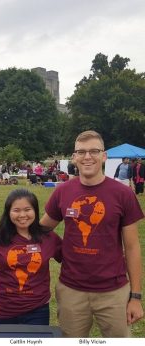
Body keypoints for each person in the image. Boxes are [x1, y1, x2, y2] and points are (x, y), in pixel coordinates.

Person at [41, 130, 144, 337]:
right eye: (81, 152)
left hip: (113, 292)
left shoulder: (123, 193)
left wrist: (135, 297)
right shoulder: (62, 192)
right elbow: (41, 229)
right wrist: (4, 228)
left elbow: (132, 247)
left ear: (104, 156)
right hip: (71, 290)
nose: (87, 157)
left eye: (94, 151)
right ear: (74, 157)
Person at [0, 189, 62, 325]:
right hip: (6, 309)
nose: (22, 215)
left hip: (38, 309)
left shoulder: (48, 237)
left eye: (27, 209)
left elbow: (70, 257)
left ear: (35, 210)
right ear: (8, 212)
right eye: (16, 210)